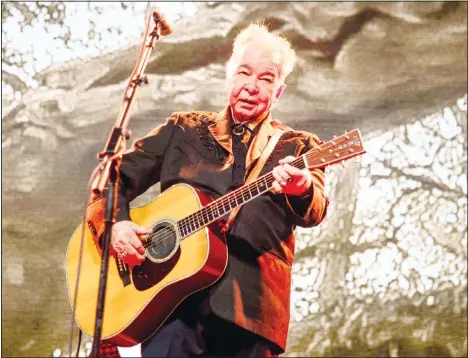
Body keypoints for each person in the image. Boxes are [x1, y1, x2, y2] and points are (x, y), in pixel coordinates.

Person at [88, 23, 329, 357]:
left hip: (253, 315)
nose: (252, 86)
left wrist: (302, 188)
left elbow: (316, 208)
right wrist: (115, 226)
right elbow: (111, 180)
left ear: (278, 92)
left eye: (266, 78)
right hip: (171, 306)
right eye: (244, 72)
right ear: (229, 76)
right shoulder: (182, 129)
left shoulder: (299, 146)